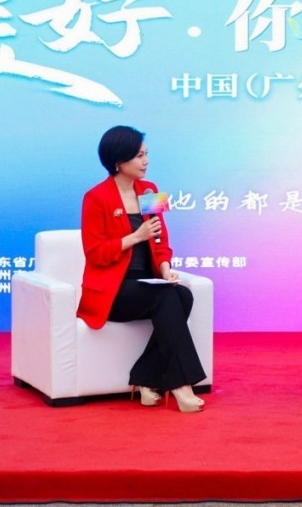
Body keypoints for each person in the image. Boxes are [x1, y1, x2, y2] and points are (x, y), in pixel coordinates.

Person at [78, 125, 206, 413]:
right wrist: (135, 237)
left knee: (182, 295)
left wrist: (165, 268)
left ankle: (145, 378)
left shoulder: (150, 190)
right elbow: (95, 253)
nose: (146, 161)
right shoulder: (96, 197)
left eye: (146, 154)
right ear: (118, 161)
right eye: (138, 156)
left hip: (147, 284)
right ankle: (181, 385)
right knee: (167, 297)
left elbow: (160, 239)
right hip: (113, 290)